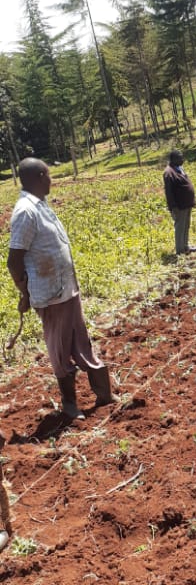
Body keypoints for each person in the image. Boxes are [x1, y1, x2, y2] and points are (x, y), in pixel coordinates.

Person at [7, 158, 114, 420]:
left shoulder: (39, 206)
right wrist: (25, 291)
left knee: (80, 341)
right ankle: (69, 405)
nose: (52, 180)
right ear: (41, 176)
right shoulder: (25, 211)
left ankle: (104, 395)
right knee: (59, 349)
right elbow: (14, 261)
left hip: (66, 289)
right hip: (51, 296)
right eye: (50, 175)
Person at [163, 150, 196, 256]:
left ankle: (185, 246)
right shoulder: (169, 172)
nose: (182, 159)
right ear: (173, 159)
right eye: (179, 158)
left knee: (186, 226)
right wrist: (173, 206)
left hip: (186, 204)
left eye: (182, 157)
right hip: (179, 206)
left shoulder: (178, 168)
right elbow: (169, 192)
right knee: (180, 227)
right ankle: (180, 251)